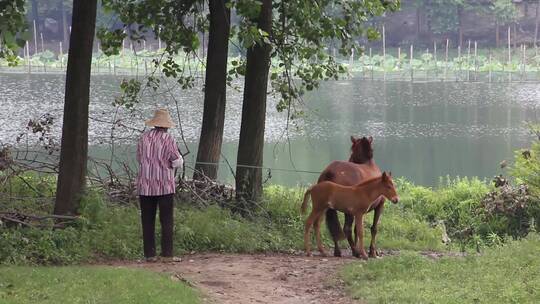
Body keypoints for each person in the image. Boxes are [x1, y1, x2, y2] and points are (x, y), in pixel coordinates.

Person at [136, 109, 183, 262]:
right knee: (166, 219)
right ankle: (167, 254)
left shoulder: (144, 138)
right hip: (164, 186)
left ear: (154, 124)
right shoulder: (168, 139)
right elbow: (176, 161)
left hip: (145, 185)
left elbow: (139, 158)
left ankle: (149, 255)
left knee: (147, 220)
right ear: (166, 126)